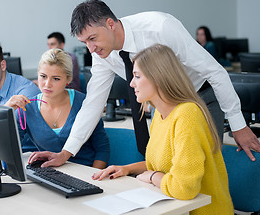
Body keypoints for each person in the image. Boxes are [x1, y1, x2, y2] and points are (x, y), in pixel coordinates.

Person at [37, 0, 260, 167]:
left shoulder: (159, 28)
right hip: (161, 107)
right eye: (85, 42)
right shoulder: (101, 54)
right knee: (165, 168)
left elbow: (216, 72)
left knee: (202, 169)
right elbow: (94, 102)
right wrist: (66, 152)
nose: (91, 49)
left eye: (93, 38)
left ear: (111, 24)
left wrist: (239, 125)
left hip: (201, 98)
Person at [93, 44, 234, 214]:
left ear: (158, 78)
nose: (131, 83)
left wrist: (152, 177)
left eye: (137, 76)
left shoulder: (187, 114)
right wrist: (127, 169)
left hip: (202, 211)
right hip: (173, 207)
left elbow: (184, 188)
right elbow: (165, 164)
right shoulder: (160, 114)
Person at [18, 48, 109, 169]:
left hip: (85, 173)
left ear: (68, 79)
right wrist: (7, 109)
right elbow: (8, 147)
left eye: (56, 78)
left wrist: (94, 177)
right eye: (43, 76)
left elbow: (102, 149)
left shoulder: (84, 103)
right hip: (50, 175)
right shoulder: (26, 108)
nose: (47, 84)